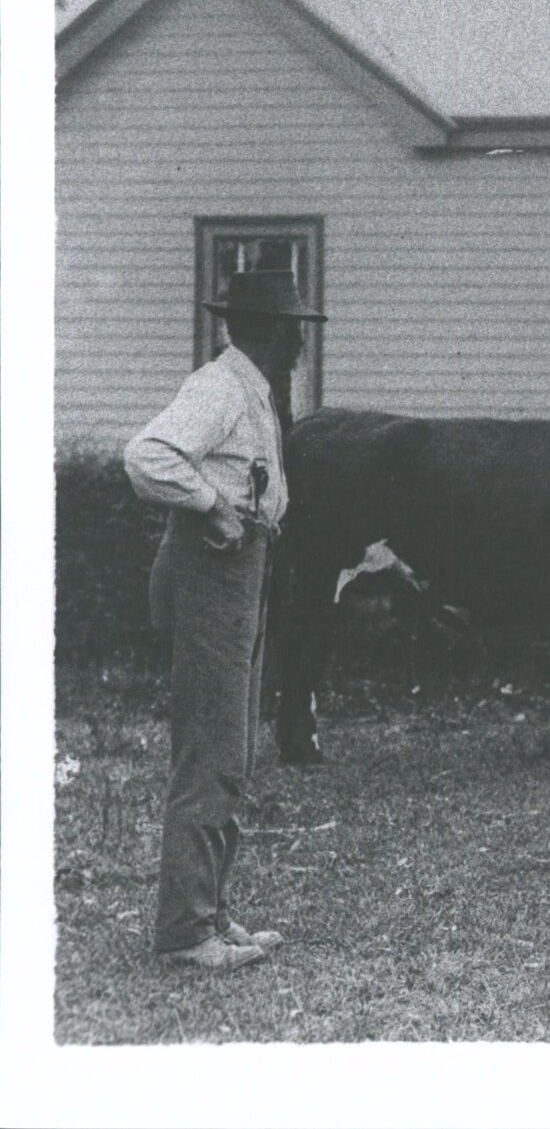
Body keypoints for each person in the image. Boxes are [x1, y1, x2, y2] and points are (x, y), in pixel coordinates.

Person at [124, 268, 324, 971]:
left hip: (243, 567)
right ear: (270, 331)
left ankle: (209, 911)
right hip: (212, 570)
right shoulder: (218, 387)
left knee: (230, 749)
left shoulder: (252, 390)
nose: (301, 338)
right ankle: (184, 933)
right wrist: (209, 503)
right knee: (210, 751)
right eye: (294, 325)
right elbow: (146, 456)